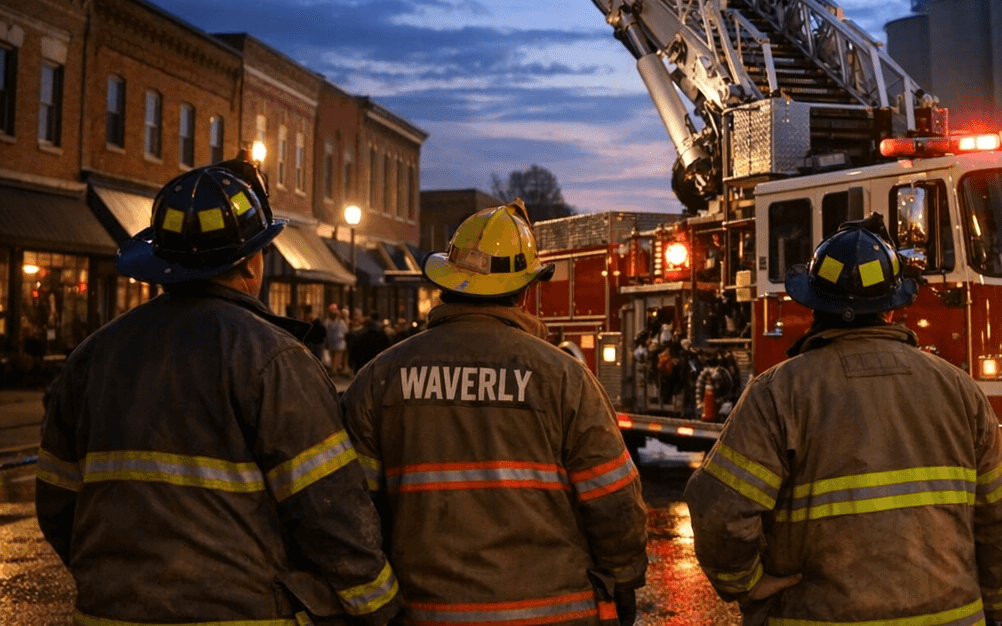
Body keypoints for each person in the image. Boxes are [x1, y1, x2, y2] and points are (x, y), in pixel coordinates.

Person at [36, 158, 403, 626]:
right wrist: (381, 608)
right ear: (252, 261)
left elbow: (56, 501)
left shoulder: (90, 358)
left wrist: (117, 582)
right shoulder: (274, 360)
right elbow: (330, 514)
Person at [685, 214, 1002, 626]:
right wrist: (993, 607)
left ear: (811, 303)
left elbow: (720, 511)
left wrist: (745, 583)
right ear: (893, 307)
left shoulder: (777, 393)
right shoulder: (959, 389)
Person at [342, 201, 648, 626]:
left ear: (447, 283)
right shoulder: (564, 379)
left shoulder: (379, 379)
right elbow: (613, 502)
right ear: (525, 290)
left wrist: (380, 609)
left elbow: (351, 514)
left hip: (427, 614)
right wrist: (625, 579)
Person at [324, 302, 349, 375]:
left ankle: (334, 369)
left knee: (334, 357)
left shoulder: (328, 322)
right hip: (337, 342)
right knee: (335, 357)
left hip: (335, 342)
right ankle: (334, 370)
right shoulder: (339, 322)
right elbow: (346, 331)